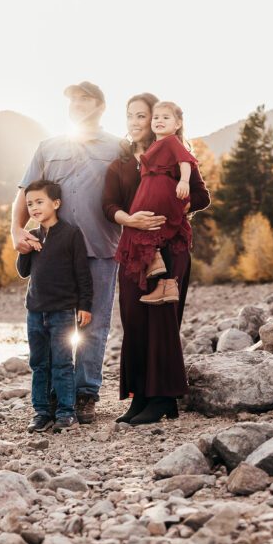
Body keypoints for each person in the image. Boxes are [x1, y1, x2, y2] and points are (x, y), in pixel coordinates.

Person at [11, 81, 121, 424]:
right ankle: (57, 399)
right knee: (56, 327)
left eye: (84, 98)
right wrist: (15, 229)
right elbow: (25, 193)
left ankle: (85, 394)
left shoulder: (120, 147)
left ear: (101, 106)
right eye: (72, 99)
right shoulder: (48, 146)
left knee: (94, 324)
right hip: (53, 253)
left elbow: (134, 195)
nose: (76, 103)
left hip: (100, 249)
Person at [103, 94, 211, 425]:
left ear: (156, 120)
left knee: (161, 321)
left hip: (170, 249)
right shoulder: (120, 165)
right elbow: (107, 206)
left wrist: (173, 210)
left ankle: (164, 398)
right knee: (135, 321)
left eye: (142, 116)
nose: (136, 123)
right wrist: (130, 219)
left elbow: (201, 197)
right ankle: (140, 398)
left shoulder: (175, 155)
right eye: (130, 116)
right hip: (134, 250)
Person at [16, 179, 93, 433]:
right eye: (29, 204)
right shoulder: (33, 236)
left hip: (62, 311)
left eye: (39, 202)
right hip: (35, 311)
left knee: (62, 363)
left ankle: (65, 412)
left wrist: (85, 305)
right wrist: (25, 248)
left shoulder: (71, 234)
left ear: (56, 203)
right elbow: (23, 272)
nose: (34, 207)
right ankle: (41, 413)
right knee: (39, 363)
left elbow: (83, 274)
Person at [114, 101, 198, 305]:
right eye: (157, 118)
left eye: (165, 118)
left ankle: (158, 267)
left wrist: (185, 182)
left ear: (177, 124)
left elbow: (186, 161)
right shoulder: (158, 144)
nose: (159, 121)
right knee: (143, 226)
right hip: (152, 190)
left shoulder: (171, 142)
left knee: (141, 226)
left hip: (162, 191)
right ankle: (163, 278)